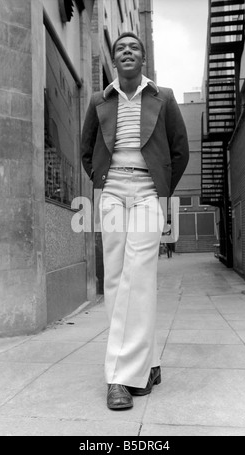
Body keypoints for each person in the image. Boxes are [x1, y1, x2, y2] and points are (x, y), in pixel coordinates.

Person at [81, 32, 189, 410]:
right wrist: (105, 183)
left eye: (134, 47)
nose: (127, 51)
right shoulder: (99, 100)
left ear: (143, 58)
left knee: (138, 276)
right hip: (112, 193)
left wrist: (159, 191)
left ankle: (120, 377)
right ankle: (148, 362)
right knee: (115, 278)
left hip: (146, 193)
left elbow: (179, 150)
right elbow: (87, 150)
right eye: (120, 48)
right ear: (114, 60)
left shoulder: (164, 97)